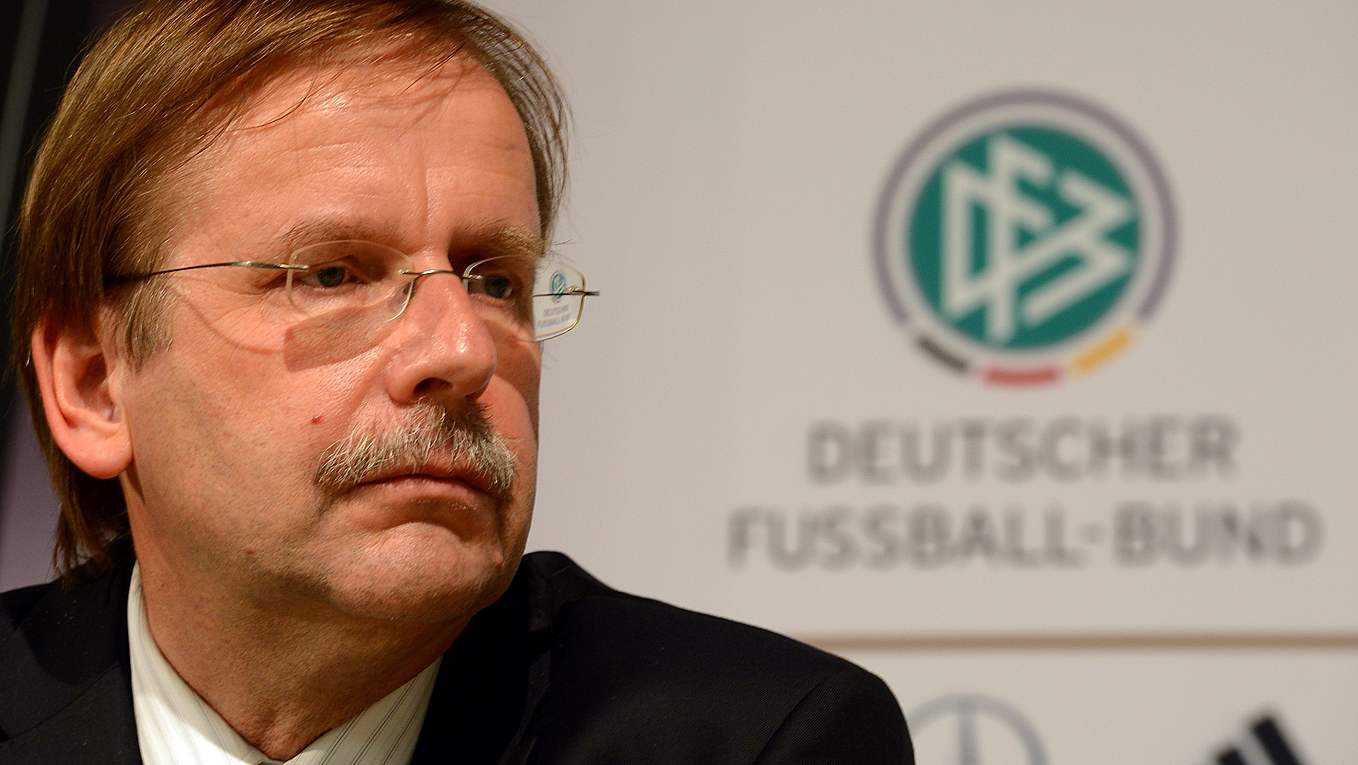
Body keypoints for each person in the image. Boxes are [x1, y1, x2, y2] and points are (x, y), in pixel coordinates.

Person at [0, 1, 913, 762]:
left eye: (495, 281)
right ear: (94, 385)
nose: (464, 348)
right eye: (333, 275)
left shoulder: (756, 741)